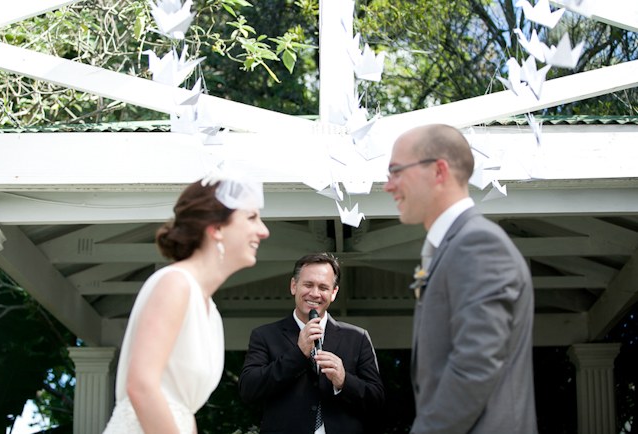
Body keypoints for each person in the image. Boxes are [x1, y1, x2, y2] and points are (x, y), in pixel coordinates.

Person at [384, 124, 537, 434]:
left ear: (439, 171)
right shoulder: (455, 246)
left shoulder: (477, 243)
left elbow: (475, 365)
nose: (388, 185)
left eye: (397, 171)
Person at [103, 172, 270, 434]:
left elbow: (182, 409)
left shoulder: (210, 311)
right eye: (251, 217)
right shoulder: (175, 284)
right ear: (216, 229)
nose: (264, 231)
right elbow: (142, 385)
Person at [238, 253, 385, 434]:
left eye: (323, 287)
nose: (315, 294)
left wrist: (344, 380)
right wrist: (298, 354)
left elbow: (377, 400)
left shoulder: (357, 337)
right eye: (308, 285)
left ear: (333, 293)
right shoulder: (265, 335)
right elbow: (248, 389)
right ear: (294, 286)